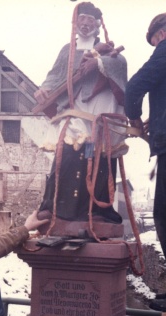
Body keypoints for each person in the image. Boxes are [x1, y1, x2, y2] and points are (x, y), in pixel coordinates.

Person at [35, 2, 129, 225]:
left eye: (89, 19)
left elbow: (120, 66)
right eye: (81, 19)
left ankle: (97, 209)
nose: (85, 24)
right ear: (75, 23)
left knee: (97, 154)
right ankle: (57, 206)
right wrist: (44, 90)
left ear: (97, 24)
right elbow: (55, 75)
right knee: (67, 152)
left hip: (98, 112)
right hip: (75, 110)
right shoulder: (67, 50)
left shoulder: (106, 49)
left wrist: (98, 63)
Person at [125, 13, 166, 312]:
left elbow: (135, 86)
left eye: (153, 43)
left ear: (160, 35)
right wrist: (163, 117)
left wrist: (135, 119)